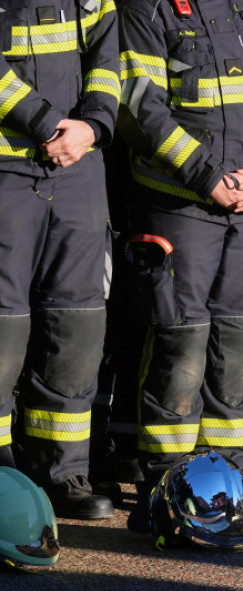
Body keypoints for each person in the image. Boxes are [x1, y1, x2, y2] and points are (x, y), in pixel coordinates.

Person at [117, 0, 243, 509]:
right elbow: (138, 106)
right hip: (179, 202)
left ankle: (232, 472)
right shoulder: (147, 9)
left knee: (241, 342)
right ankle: (169, 475)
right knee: (180, 342)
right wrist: (206, 177)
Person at [0, 0, 119, 518]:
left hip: (78, 168)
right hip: (7, 165)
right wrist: (48, 124)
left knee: (77, 324)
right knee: (2, 325)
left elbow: (107, 59)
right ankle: (2, 472)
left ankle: (63, 471)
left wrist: (93, 126)